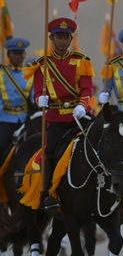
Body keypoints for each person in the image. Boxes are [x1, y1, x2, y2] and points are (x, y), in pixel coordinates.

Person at [25, 18, 94, 211]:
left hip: (79, 116)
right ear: (51, 38)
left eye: (66, 37)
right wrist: (40, 100)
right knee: (50, 152)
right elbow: (38, 91)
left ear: (71, 38)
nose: (63, 41)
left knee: (103, 140)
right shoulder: (42, 65)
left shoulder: (82, 61)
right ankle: (47, 194)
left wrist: (82, 105)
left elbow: (87, 90)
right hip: (56, 118)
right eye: (59, 37)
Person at [0, 38, 33, 154]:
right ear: (9, 54)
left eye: (21, 53)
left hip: (26, 120)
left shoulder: (30, 73)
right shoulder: (1, 73)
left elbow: (34, 99)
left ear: (24, 55)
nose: (18, 56)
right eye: (15, 53)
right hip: (6, 119)